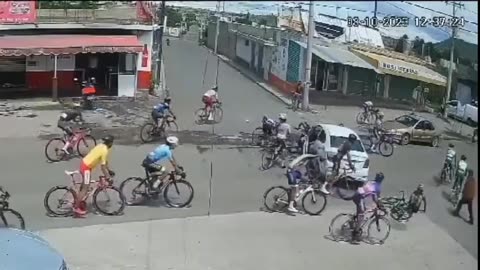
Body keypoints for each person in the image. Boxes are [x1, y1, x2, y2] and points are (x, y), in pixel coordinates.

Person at [74, 135, 115, 217]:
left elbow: (105, 162)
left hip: (86, 164)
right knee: (85, 188)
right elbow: (102, 167)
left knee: (84, 186)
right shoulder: (105, 150)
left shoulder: (101, 146)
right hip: (86, 167)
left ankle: (80, 201)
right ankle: (76, 208)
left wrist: (109, 170)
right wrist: (108, 177)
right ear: (110, 143)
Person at [351, 172, 384, 243]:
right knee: (362, 214)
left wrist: (377, 203)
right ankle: (354, 235)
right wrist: (381, 206)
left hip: (356, 194)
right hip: (359, 197)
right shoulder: (377, 186)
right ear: (382, 180)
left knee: (364, 209)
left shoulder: (371, 182)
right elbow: (376, 198)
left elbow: (374, 196)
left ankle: (353, 221)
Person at [306, 125, 329, 194]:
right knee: (323, 174)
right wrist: (324, 158)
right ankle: (321, 187)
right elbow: (321, 155)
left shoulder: (314, 142)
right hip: (317, 162)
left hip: (312, 161)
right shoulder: (320, 145)